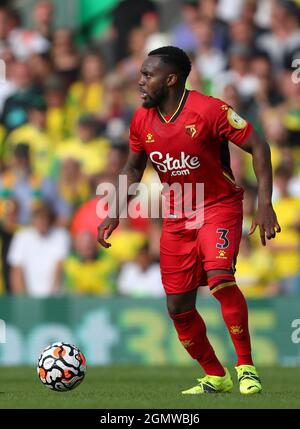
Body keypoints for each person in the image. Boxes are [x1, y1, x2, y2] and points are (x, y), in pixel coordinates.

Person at [97, 46, 281, 395]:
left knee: (221, 279)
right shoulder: (141, 120)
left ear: (171, 79)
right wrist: (114, 211)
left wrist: (265, 203)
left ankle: (246, 367)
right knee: (178, 307)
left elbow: (259, 146)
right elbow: (133, 167)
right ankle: (216, 375)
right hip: (178, 215)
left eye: (147, 75)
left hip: (218, 206)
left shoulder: (210, 110)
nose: (140, 82)